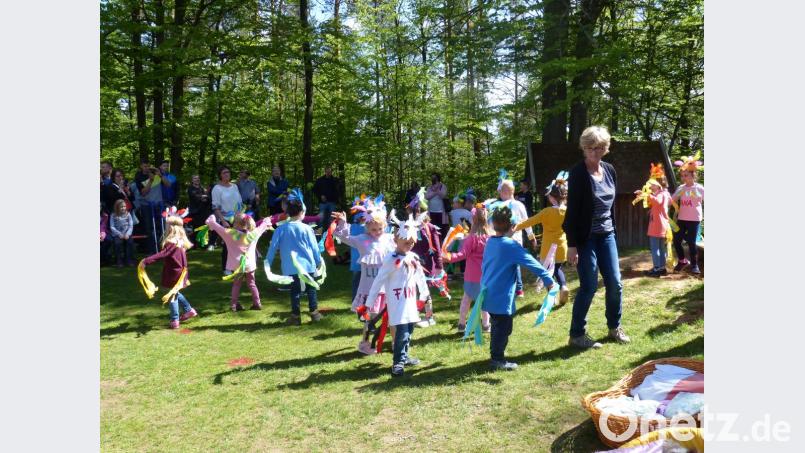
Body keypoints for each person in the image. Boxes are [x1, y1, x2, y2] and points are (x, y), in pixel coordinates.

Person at [563, 125, 630, 349]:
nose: (595, 152)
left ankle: (614, 327)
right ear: (583, 148)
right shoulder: (578, 173)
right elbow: (572, 211)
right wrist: (572, 245)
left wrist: (612, 229)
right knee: (589, 285)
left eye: (600, 148)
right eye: (591, 148)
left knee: (615, 283)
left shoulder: (610, 170)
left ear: (606, 148)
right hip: (585, 238)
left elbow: (610, 205)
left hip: (607, 234)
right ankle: (577, 334)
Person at [480, 206, 554, 371]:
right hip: (500, 296)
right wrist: (549, 281)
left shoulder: (490, 242)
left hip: (489, 293)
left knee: (500, 326)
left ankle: (495, 354)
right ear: (513, 226)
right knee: (503, 328)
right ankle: (497, 359)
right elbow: (531, 262)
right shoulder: (510, 245)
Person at [363, 212, 432, 377]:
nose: (409, 245)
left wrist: (426, 296)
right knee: (402, 334)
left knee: (409, 331)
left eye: (411, 242)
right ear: (396, 240)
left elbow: (420, 278)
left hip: (410, 303)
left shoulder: (413, 257)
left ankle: (404, 357)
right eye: (405, 242)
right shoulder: (390, 259)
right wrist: (369, 303)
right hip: (397, 305)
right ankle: (397, 363)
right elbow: (378, 281)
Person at [331, 196, 396, 355]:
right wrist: (343, 223)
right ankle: (365, 343)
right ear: (367, 227)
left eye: (380, 229)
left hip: (388, 285)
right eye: (373, 229)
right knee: (369, 317)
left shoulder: (389, 239)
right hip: (369, 287)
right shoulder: (362, 239)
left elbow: (400, 251)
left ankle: (396, 343)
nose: (376, 232)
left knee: (393, 315)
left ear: (385, 226)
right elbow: (344, 237)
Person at [265, 189, 324, 325]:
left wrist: (267, 262)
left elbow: (273, 247)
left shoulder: (280, 229)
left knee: (295, 291)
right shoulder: (307, 229)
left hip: (290, 266)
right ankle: (314, 313)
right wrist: (318, 261)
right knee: (311, 289)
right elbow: (314, 247)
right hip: (308, 265)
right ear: (302, 213)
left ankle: (296, 316)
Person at [515, 171, 571, 305]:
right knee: (557, 269)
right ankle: (563, 286)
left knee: (546, 272)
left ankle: (551, 296)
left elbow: (529, 221)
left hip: (547, 248)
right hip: (562, 246)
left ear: (551, 198)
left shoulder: (546, 212)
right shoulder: (568, 211)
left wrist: (515, 227)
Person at [138, 213, 198, 329]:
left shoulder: (171, 242)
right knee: (175, 292)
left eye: (166, 226)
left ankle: (174, 319)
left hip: (173, 273)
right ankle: (189, 310)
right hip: (181, 271)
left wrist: (146, 261)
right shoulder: (180, 241)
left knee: (172, 295)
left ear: (170, 227)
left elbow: (162, 254)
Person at [206, 213, 272, 312]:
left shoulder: (230, 233)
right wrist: (266, 220)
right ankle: (257, 303)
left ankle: (233, 305)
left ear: (236, 223)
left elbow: (217, 227)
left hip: (237, 266)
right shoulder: (253, 233)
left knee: (236, 284)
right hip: (250, 265)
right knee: (252, 283)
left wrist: (212, 220)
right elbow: (263, 226)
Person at [444, 205, 491, 334]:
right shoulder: (490, 238)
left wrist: (448, 257)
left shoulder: (471, 238)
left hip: (471, 276)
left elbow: (462, 254)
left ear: (473, 220)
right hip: (486, 276)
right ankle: (486, 325)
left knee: (466, 300)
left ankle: (461, 324)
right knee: (484, 301)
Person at [493, 170, 538, 298]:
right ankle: (513, 288)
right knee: (509, 263)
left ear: (506, 192)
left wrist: (532, 238)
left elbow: (526, 222)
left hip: (513, 239)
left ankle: (518, 289)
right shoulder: (500, 205)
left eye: (500, 191)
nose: (499, 194)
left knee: (512, 263)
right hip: (504, 239)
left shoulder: (517, 205)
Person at [407, 188, 444, 327]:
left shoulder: (431, 228)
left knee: (424, 289)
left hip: (427, 265)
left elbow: (437, 247)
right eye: (415, 211)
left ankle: (429, 316)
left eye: (419, 211)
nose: (417, 213)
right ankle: (415, 314)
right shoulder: (411, 227)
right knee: (414, 289)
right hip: (413, 263)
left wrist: (439, 264)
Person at [633, 164, 672, 277]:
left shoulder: (660, 194)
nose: (650, 186)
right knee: (660, 247)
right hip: (662, 224)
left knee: (655, 247)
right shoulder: (665, 193)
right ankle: (662, 267)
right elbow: (664, 204)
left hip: (657, 225)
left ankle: (657, 268)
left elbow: (658, 202)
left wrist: (646, 194)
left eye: (652, 184)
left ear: (659, 185)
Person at [671, 154, 704, 275]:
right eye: (682, 175)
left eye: (686, 175)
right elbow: (671, 200)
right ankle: (682, 260)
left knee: (691, 242)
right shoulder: (681, 188)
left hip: (694, 219)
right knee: (676, 240)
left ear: (693, 175)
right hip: (682, 219)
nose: (684, 177)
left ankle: (695, 266)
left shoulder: (699, 188)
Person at [211, 166, 243, 274]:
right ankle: (226, 267)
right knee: (227, 245)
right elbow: (215, 207)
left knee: (238, 244)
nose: (227, 174)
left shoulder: (234, 186)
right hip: (225, 219)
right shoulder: (217, 188)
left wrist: (240, 217)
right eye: (224, 173)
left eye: (228, 172)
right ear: (220, 175)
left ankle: (237, 265)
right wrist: (223, 221)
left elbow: (239, 203)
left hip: (237, 219)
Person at [134, 159, 165, 254]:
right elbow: (143, 193)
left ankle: (162, 248)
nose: (147, 168)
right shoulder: (139, 177)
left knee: (162, 226)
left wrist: (160, 175)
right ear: (141, 167)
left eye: (148, 166)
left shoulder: (155, 173)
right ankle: (152, 250)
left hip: (159, 205)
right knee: (149, 228)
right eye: (144, 166)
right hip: (146, 206)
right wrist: (151, 181)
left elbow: (168, 184)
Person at [187, 175, 212, 248]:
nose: (197, 180)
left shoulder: (202, 188)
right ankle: (194, 244)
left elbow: (207, 198)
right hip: (194, 212)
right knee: (195, 228)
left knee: (203, 228)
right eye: (195, 178)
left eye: (198, 178)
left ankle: (203, 244)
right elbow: (194, 196)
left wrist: (204, 197)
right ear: (192, 180)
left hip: (203, 211)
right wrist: (202, 197)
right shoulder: (190, 188)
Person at [110, 199, 136, 267]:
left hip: (127, 233)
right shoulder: (113, 215)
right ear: (117, 207)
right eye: (121, 207)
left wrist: (127, 234)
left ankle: (129, 260)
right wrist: (119, 234)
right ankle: (119, 261)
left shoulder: (128, 214)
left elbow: (131, 225)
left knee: (130, 242)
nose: (123, 208)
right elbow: (112, 226)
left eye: (124, 206)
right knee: (117, 243)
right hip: (117, 234)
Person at [313, 166, 340, 231]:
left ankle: (331, 233)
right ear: (325, 172)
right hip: (322, 203)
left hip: (332, 202)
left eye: (330, 172)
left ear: (331, 172)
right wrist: (320, 196)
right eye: (327, 172)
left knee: (331, 218)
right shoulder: (320, 180)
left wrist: (337, 200)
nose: (328, 173)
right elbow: (315, 190)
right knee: (321, 218)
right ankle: (319, 232)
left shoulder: (335, 180)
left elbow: (338, 191)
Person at [425, 173, 448, 237]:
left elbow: (443, 195)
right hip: (431, 212)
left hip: (440, 212)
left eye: (434, 178)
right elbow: (426, 197)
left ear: (437, 178)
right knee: (432, 228)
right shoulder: (429, 187)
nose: (433, 179)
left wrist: (437, 190)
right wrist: (434, 193)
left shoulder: (443, 186)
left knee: (440, 229)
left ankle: (441, 242)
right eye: (432, 178)